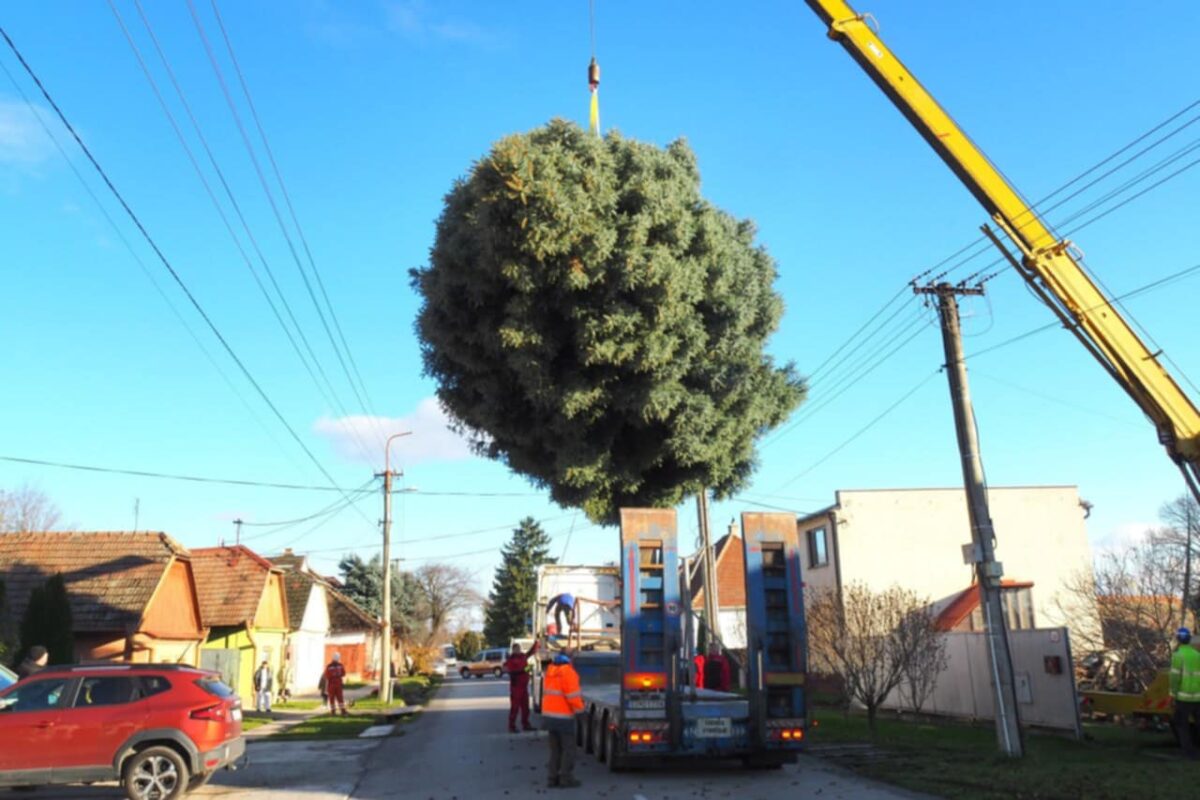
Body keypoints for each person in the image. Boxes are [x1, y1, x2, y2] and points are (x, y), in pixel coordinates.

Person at [541, 651, 584, 788]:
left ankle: (552, 779)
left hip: (549, 717)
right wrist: (581, 711)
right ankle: (566, 779)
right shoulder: (569, 673)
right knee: (569, 750)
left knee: (555, 750)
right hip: (564, 718)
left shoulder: (549, 673)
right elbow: (573, 697)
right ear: (568, 660)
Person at [1170, 626, 1200, 759]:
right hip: (1198, 697)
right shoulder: (1197, 655)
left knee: (1182, 724)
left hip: (1183, 697)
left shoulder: (1178, 656)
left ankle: (1189, 752)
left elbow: (1175, 678)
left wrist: (1173, 694)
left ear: (1178, 640)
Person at [503, 637, 540, 733]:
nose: (518, 650)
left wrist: (537, 643)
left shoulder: (523, 656)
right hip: (516, 688)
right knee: (515, 708)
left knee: (525, 708)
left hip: (523, 687)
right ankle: (512, 726)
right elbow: (506, 668)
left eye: (519, 649)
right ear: (513, 650)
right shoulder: (511, 659)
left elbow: (531, 652)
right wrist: (515, 672)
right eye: (516, 649)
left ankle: (525, 724)